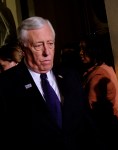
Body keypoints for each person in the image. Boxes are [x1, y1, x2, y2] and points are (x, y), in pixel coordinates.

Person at [0, 16, 100, 150]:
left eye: (50, 43)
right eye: (38, 45)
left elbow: (88, 125)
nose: (47, 52)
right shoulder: (6, 84)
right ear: (22, 48)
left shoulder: (70, 76)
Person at [79, 35, 118, 147]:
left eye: (84, 49)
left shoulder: (98, 75)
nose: (80, 53)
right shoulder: (104, 68)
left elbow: (92, 109)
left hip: (104, 130)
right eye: (80, 49)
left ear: (94, 50)